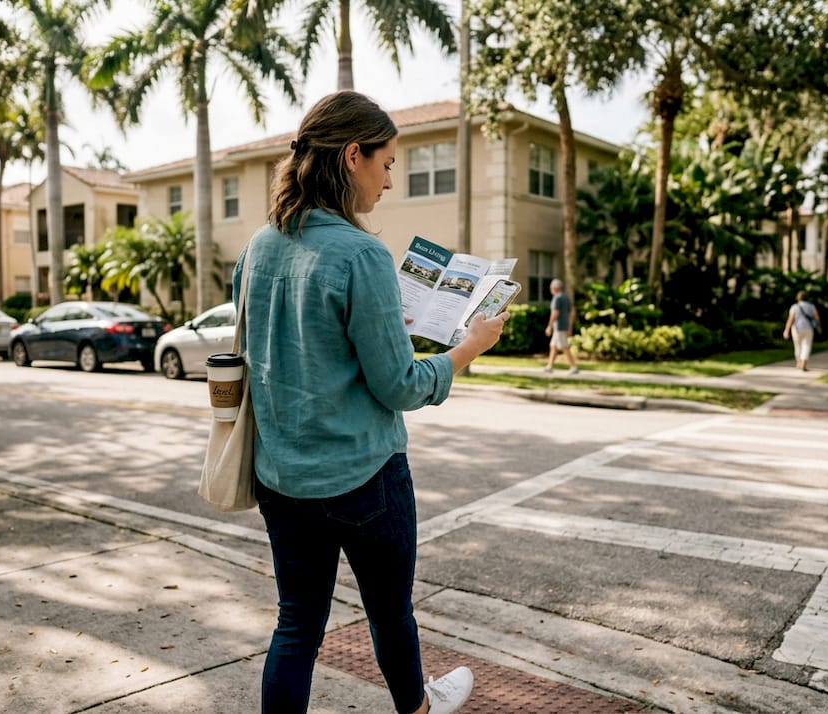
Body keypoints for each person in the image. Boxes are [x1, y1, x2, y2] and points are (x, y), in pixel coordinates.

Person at [235, 91, 506, 714]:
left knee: (296, 627)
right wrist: (469, 347)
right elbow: (400, 387)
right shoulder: (361, 254)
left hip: (282, 476)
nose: (391, 180)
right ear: (352, 156)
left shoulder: (259, 246)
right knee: (389, 615)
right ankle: (418, 707)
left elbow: (271, 349)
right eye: (386, 163)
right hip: (365, 480)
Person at [543, 278, 579, 374]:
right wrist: (570, 326)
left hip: (559, 326)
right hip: (564, 326)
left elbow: (555, 313)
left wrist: (549, 326)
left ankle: (573, 367)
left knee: (564, 346)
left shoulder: (557, 298)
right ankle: (549, 366)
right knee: (553, 346)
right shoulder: (566, 298)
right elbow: (572, 313)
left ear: (554, 288)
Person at [782, 290, 821, 371]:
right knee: (806, 345)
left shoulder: (794, 307)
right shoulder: (811, 306)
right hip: (808, 328)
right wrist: (818, 326)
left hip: (796, 329)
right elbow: (817, 318)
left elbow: (791, 319)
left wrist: (786, 330)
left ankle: (799, 362)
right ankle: (804, 362)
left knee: (797, 346)